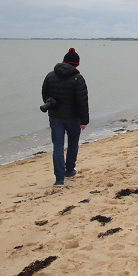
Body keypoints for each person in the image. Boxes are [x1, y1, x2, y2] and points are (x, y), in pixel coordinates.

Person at [42, 48, 89, 186]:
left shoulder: (50, 76)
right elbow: (82, 100)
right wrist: (84, 120)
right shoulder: (78, 78)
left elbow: (45, 95)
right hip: (73, 117)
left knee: (58, 146)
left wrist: (53, 104)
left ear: (63, 61)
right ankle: (69, 170)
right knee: (73, 143)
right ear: (77, 64)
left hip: (56, 116)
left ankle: (59, 179)